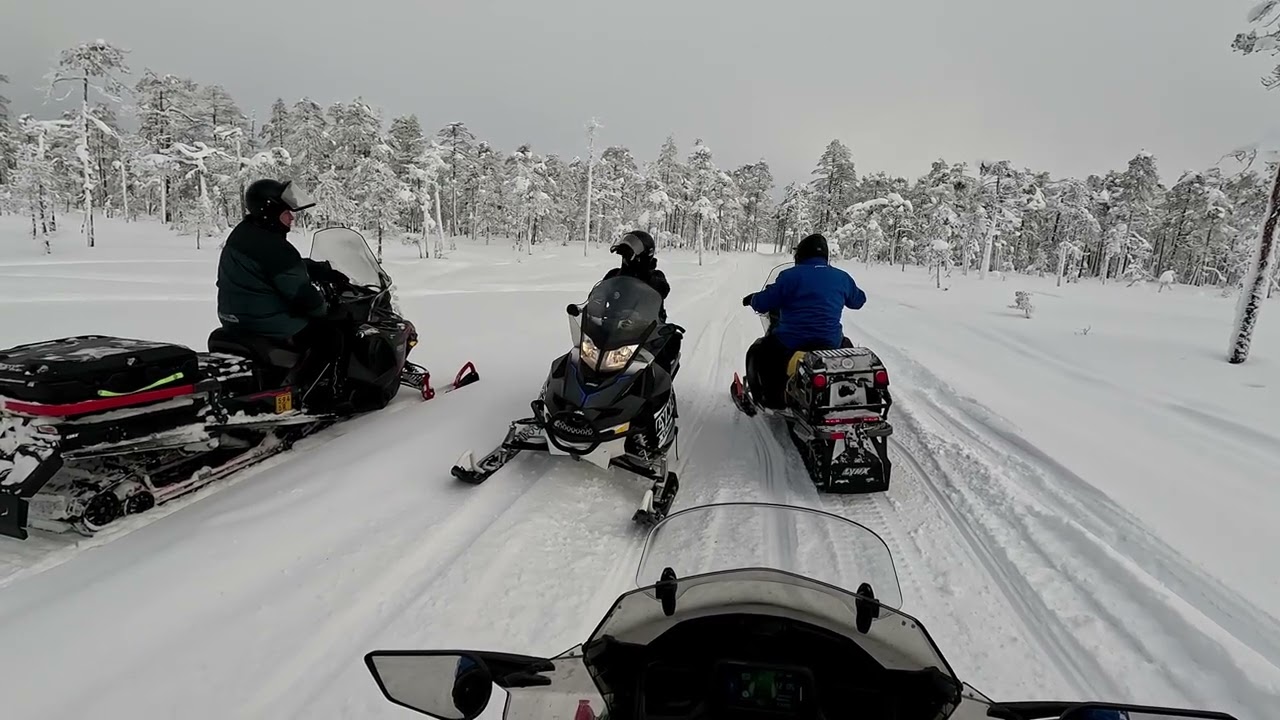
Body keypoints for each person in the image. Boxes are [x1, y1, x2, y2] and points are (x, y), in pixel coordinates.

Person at [216, 178, 349, 402]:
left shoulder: (246, 232)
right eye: (287, 212)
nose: (292, 217)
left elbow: (279, 267)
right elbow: (300, 294)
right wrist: (325, 308)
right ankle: (316, 393)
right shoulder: (273, 246)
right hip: (264, 320)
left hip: (234, 316)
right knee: (331, 335)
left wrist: (320, 269)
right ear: (270, 212)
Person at [741, 233, 866, 407]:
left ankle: (772, 399)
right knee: (847, 350)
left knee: (761, 351)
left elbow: (764, 302)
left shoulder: (789, 276)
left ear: (800, 254)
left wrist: (753, 299)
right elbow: (858, 301)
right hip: (831, 341)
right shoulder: (842, 277)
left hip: (792, 341)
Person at [605, 230, 680, 377]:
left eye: (628, 256)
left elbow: (662, 289)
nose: (625, 260)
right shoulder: (614, 275)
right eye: (624, 257)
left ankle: (664, 395)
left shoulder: (655, 277)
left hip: (646, 329)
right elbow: (598, 295)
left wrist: (644, 275)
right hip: (612, 328)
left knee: (659, 366)